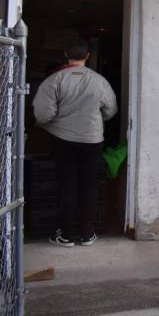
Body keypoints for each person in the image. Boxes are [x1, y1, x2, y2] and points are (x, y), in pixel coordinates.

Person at [33, 38, 117, 247]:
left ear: (65, 54)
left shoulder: (54, 80)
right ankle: (88, 234)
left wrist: (59, 121)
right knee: (89, 185)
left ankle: (67, 235)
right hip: (92, 140)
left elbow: (43, 115)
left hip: (64, 140)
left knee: (67, 185)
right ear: (87, 56)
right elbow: (110, 111)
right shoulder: (99, 81)